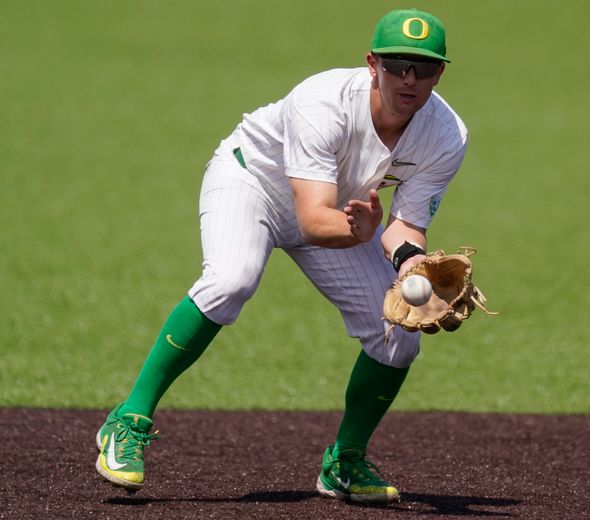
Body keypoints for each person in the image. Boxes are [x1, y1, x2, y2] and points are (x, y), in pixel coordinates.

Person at [95, 7, 467, 504]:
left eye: (423, 67)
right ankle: (130, 417)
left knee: (397, 332)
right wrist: (362, 230)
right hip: (252, 184)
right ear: (372, 63)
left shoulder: (447, 135)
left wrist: (411, 265)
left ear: (440, 73)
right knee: (232, 280)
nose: (409, 78)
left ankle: (345, 462)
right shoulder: (324, 101)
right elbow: (315, 220)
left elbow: (406, 227)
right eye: (398, 63)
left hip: (344, 216)